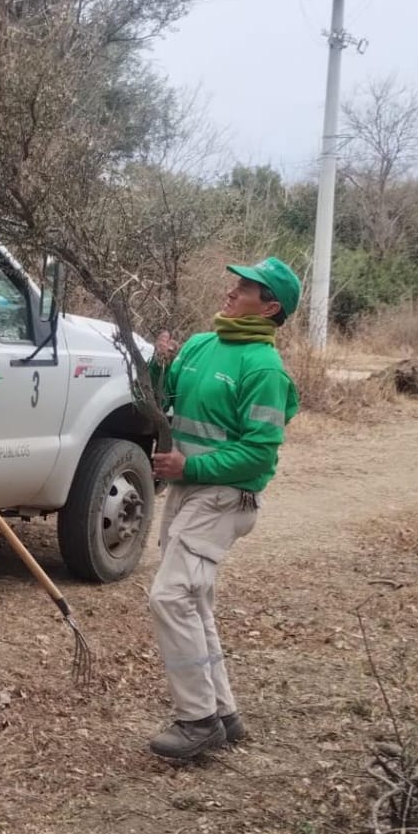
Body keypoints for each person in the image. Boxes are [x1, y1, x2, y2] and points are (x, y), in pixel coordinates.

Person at [146, 256, 302, 762]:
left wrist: (190, 466)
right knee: (193, 600)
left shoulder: (265, 369)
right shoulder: (199, 344)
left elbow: (260, 453)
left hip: (224, 496)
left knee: (170, 596)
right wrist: (158, 364)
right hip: (188, 491)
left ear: (270, 308)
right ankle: (224, 713)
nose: (231, 292)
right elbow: (161, 399)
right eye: (235, 284)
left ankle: (197, 721)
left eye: (245, 289)